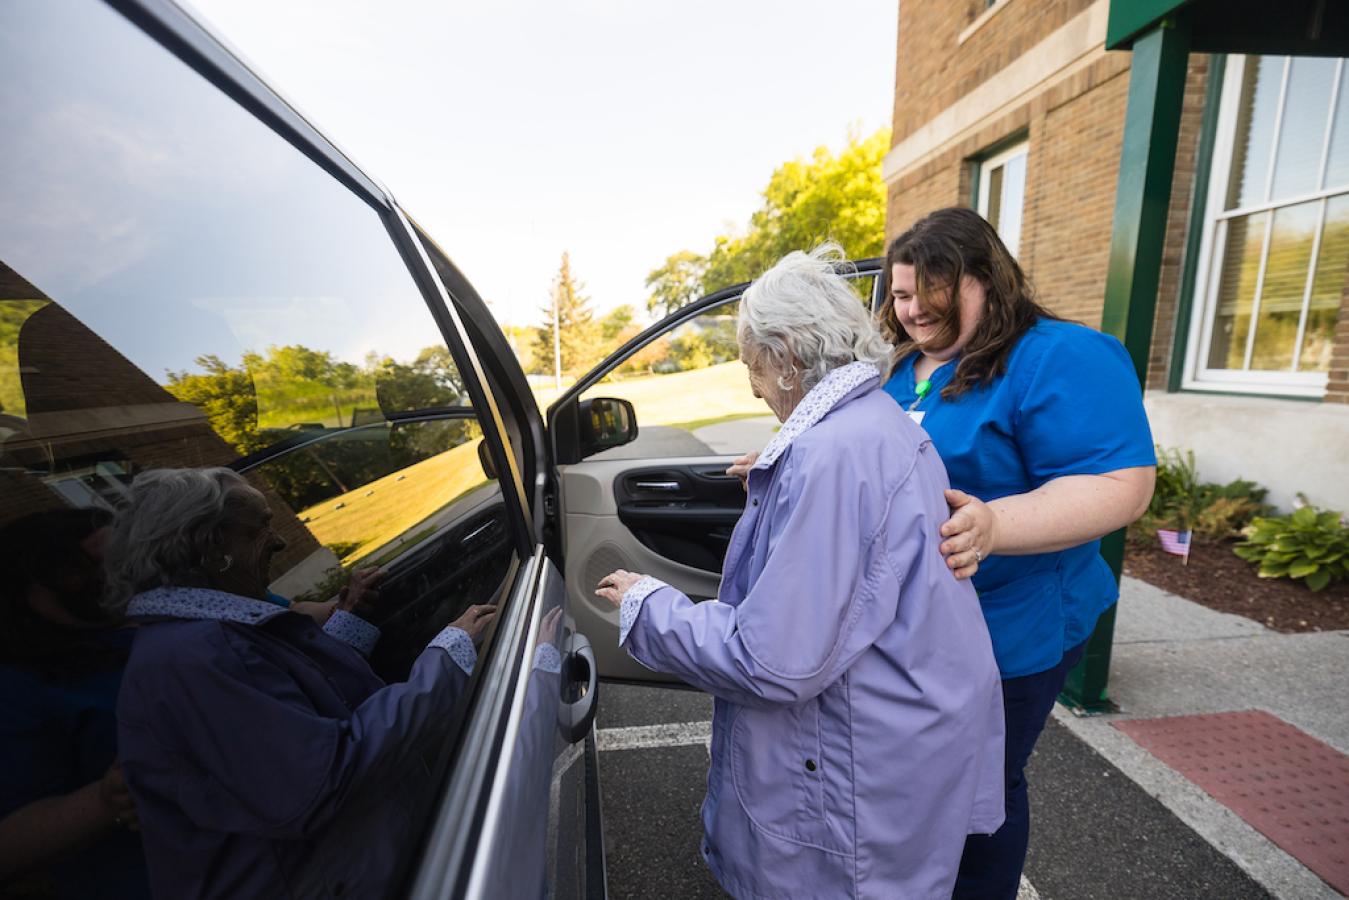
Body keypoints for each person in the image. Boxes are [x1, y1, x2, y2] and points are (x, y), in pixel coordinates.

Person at [595, 246, 1005, 899]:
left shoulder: (831, 459)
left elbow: (774, 659)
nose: (752, 387)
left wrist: (648, 607)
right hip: (899, 738)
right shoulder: (869, 426)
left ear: (787, 356)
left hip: (857, 771)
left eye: (751, 366)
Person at [879, 207, 1156, 899]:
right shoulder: (907, 366)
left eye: (929, 295)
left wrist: (994, 525)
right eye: (902, 294)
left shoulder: (1059, 355)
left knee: (979, 791)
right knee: (924, 782)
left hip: (1011, 623)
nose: (911, 311)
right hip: (916, 627)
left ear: (983, 280)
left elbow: (1120, 484)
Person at [103, 467, 497, 900]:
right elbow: (328, 776)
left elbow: (295, 701)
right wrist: (448, 657)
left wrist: (347, 624)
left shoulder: (200, 635)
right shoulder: (195, 657)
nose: (278, 540)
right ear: (212, 547)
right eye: (259, 528)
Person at [0, 507, 148, 900]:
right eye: (71, 570)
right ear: (20, 594)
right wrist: (104, 800)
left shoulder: (155, 615)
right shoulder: (19, 687)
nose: (101, 579)